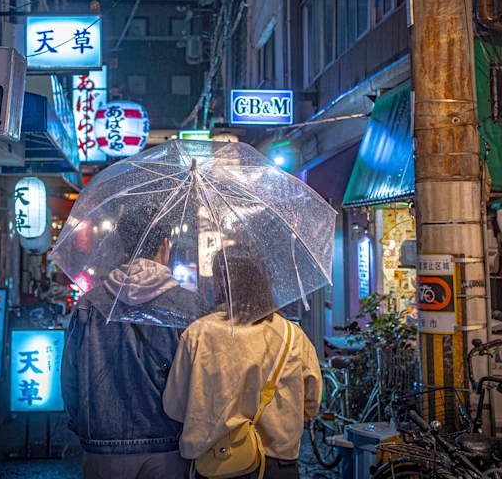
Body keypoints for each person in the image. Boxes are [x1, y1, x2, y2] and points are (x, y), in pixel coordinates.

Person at [61, 202, 205, 479]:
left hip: (102, 445)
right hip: (169, 444)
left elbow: (70, 378)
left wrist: (85, 424)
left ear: (123, 247)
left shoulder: (90, 304)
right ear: (165, 245)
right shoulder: (189, 307)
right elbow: (201, 381)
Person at [162, 247, 323, 479]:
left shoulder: (198, 334)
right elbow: (311, 404)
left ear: (222, 284)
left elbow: (175, 407)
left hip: (218, 464)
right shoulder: (292, 336)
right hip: (277, 466)